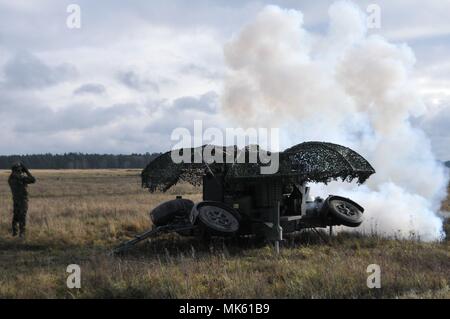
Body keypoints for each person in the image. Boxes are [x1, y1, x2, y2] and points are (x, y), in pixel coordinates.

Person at [8, 162, 36, 237]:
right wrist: (26, 170)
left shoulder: (10, 178)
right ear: (18, 170)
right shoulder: (21, 178)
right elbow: (33, 180)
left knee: (16, 215)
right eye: (20, 170)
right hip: (22, 200)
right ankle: (22, 233)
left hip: (15, 199)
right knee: (22, 216)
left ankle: (14, 232)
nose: (21, 171)